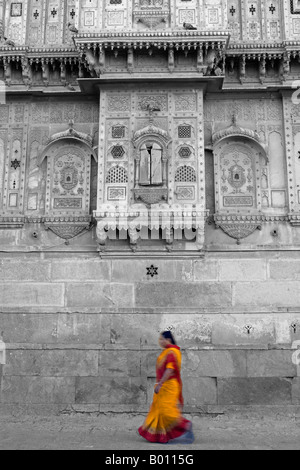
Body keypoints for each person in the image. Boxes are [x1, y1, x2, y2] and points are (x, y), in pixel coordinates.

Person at [138, 331, 194, 444]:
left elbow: (170, 369)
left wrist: (160, 384)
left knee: (166, 411)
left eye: (162, 339)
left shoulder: (172, 352)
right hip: (165, 385)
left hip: (169, 386)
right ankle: (159, 436)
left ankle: (186, 425)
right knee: (158, 409)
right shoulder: (168, 351)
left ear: (168, 340)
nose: (160, 341)